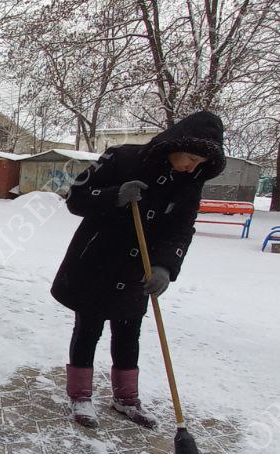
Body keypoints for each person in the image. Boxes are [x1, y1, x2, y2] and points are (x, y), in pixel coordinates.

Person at [50, 111, 226, 429]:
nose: (191, 166)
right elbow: (75, 198)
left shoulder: (190, 184)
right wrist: (114, 195)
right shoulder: (121, 157)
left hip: (138, 269)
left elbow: (182, 228)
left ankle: (126, 399)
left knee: (129, 333)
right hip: (97, 262)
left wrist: (165, 266)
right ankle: (80, 396)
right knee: (88, 328)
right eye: (189, 158)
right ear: (175, 145)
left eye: (199, 163)